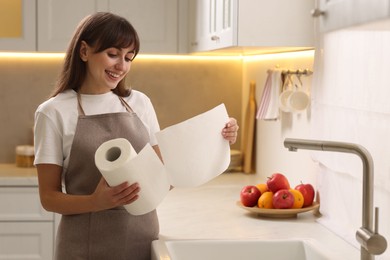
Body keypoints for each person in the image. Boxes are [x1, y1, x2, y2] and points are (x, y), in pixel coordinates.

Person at [34, 12, 239, 260]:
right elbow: (49, 198)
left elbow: (163, 176)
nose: (122, 66)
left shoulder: (139, 103)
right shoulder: (53, 112)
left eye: (128, 58)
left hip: (141, 240)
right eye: (113, 54)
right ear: (85, 51)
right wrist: (95, 202)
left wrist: (217, 138)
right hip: (83, 245)